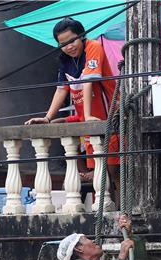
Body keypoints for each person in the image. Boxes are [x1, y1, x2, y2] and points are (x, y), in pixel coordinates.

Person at [25, 17, 120, 200]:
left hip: (109, 119)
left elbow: (88, 81)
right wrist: (47, 118)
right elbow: (61, 90)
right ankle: (101, 218)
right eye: (63, 44)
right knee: (99, 175)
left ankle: (123, 215)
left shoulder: (93, 47)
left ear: (82, 37)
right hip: (89, 125)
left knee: (114, 172)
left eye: (72, 41)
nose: (69, 47)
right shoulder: (65, 60)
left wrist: (88, 115)